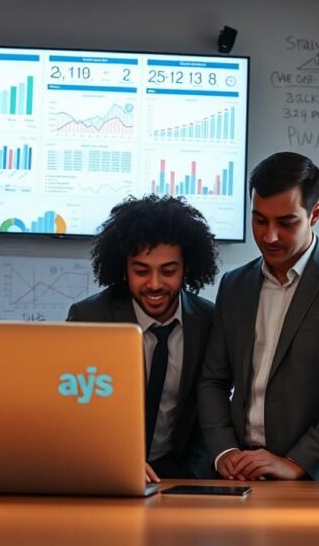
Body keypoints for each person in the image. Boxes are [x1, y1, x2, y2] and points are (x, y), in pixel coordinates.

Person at [197, 152, 319, 481]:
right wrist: (224, 450)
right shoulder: (234, 284)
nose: (269, 236)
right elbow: (213, 380)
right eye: (259, 220)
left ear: (315, 214)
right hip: (241, 473)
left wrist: (297, 462)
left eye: (286, 223)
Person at [67, 195, 219, 480]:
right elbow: (73, 413)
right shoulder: (90, 318)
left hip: (179, 476)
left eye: (169, 271)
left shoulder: (210, 321)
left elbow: (211, 414)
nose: (154, 284)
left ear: (187, 268)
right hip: (106, 470)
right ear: (123, 270)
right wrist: (114, 462)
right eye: (141, 271)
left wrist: (188, 477)